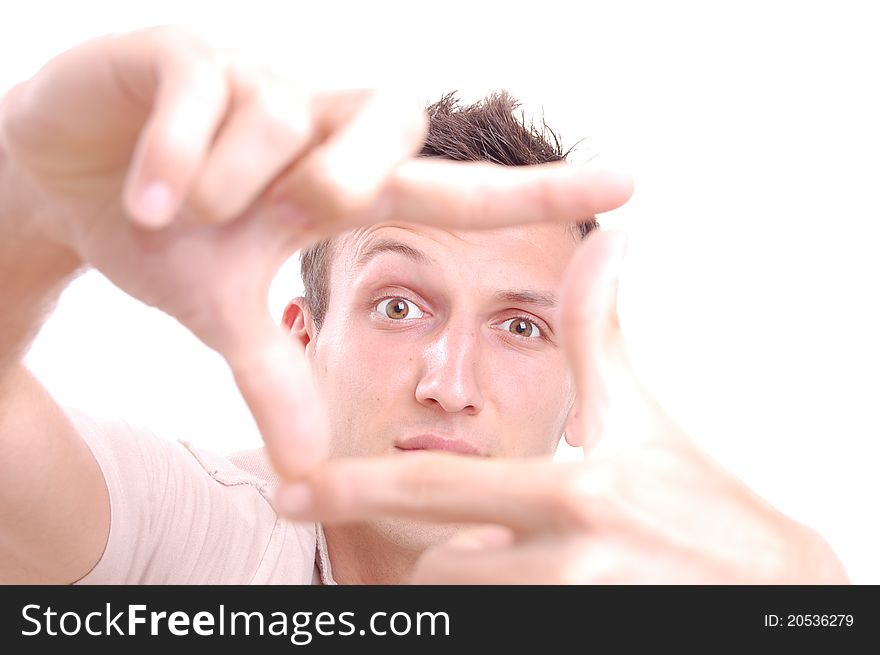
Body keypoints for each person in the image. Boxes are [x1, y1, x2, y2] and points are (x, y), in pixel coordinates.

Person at [0, 26, 846, 584]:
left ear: (588, 390)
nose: (450, 381)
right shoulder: (206, 540)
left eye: (522, 325)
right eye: (400, 307)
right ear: (303, 343)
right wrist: (25, 207)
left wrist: (814, 593)